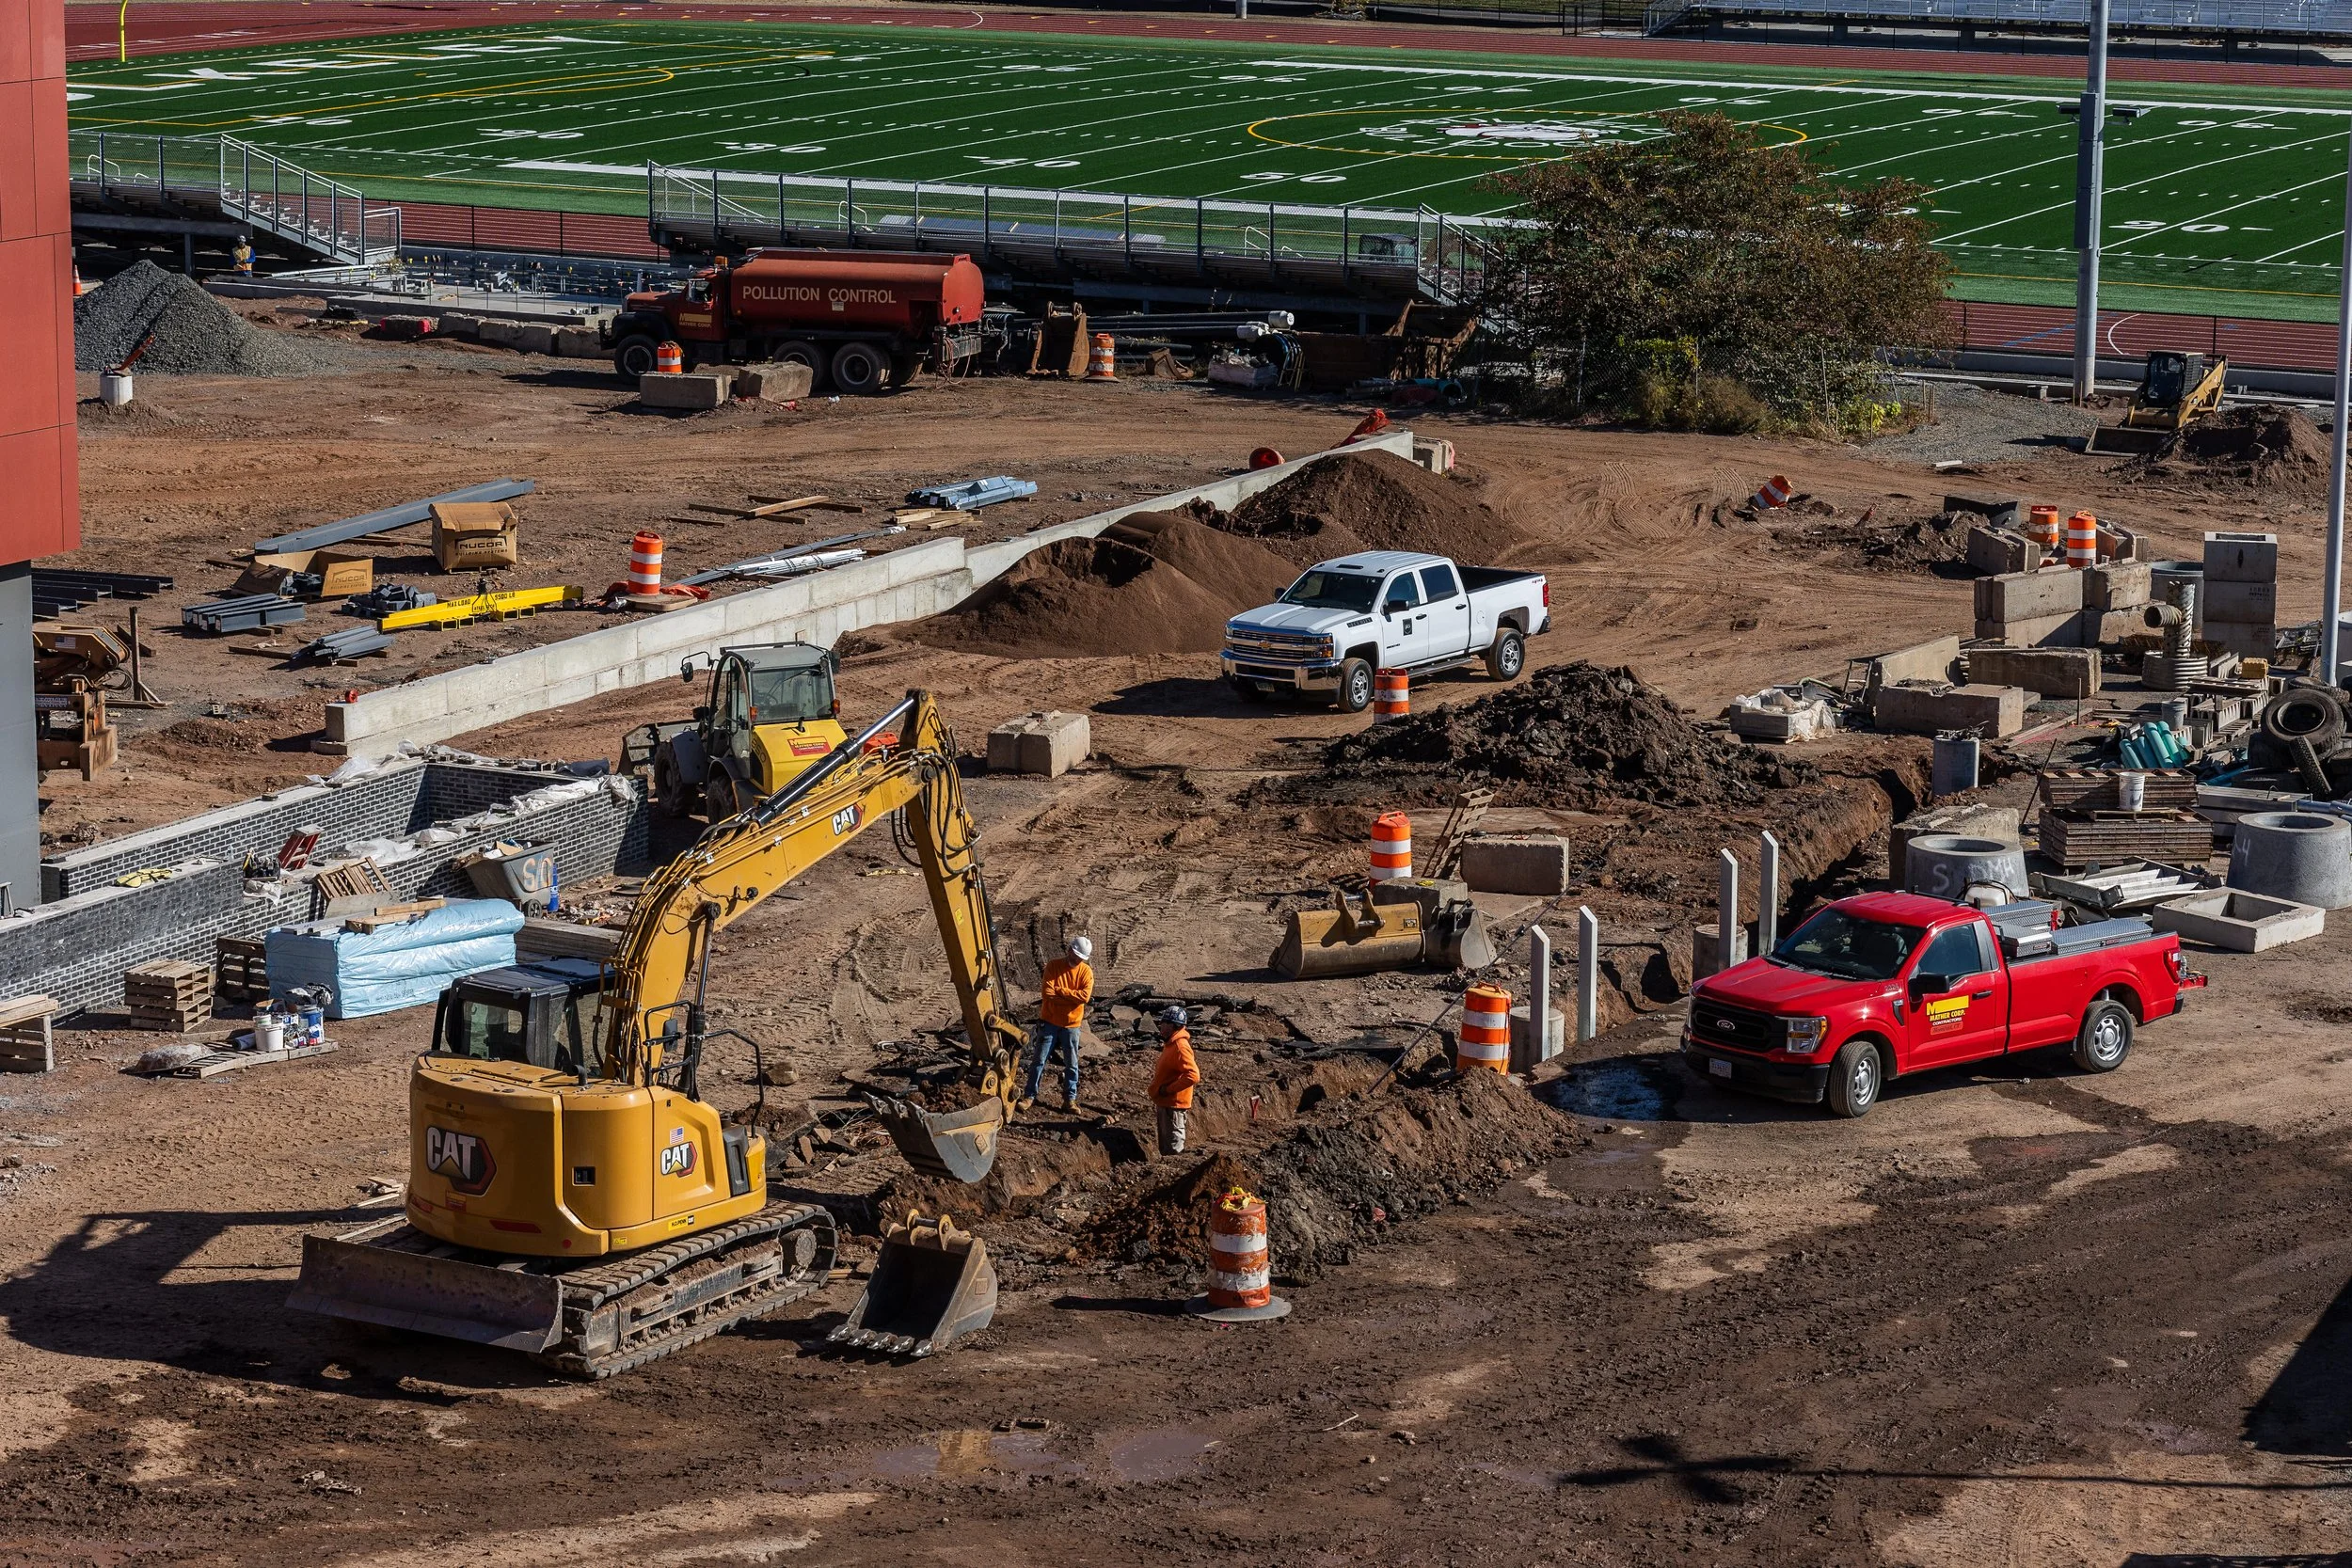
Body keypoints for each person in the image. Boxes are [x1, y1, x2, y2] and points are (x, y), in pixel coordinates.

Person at [1025, 936, 1093, 1111]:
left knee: (1072, 1064)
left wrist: (1060, 991)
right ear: (1069, 950)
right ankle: (1029, 1096)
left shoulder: (1086, 972)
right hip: (1049, 1022)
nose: (1077, 960)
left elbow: (1084, 997)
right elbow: (1048, 994)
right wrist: (1071, 999)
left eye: (1080, 958)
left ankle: (1070, 1100)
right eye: (1075, 955)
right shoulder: (1053, 966)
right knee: (1039, 1060)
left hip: (1071, 1025)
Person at [1150, 1005, 1199, 1156]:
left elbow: (1193, 1075)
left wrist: (1168, 1090)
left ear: (1173, 1026)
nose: (1160, 1026)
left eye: (1164, 1023)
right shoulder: (1171, 1044)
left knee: (1173, 1148)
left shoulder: (1180, 1046)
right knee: (1166, 1147)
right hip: (1166, 1103)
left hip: (1173, 1105)